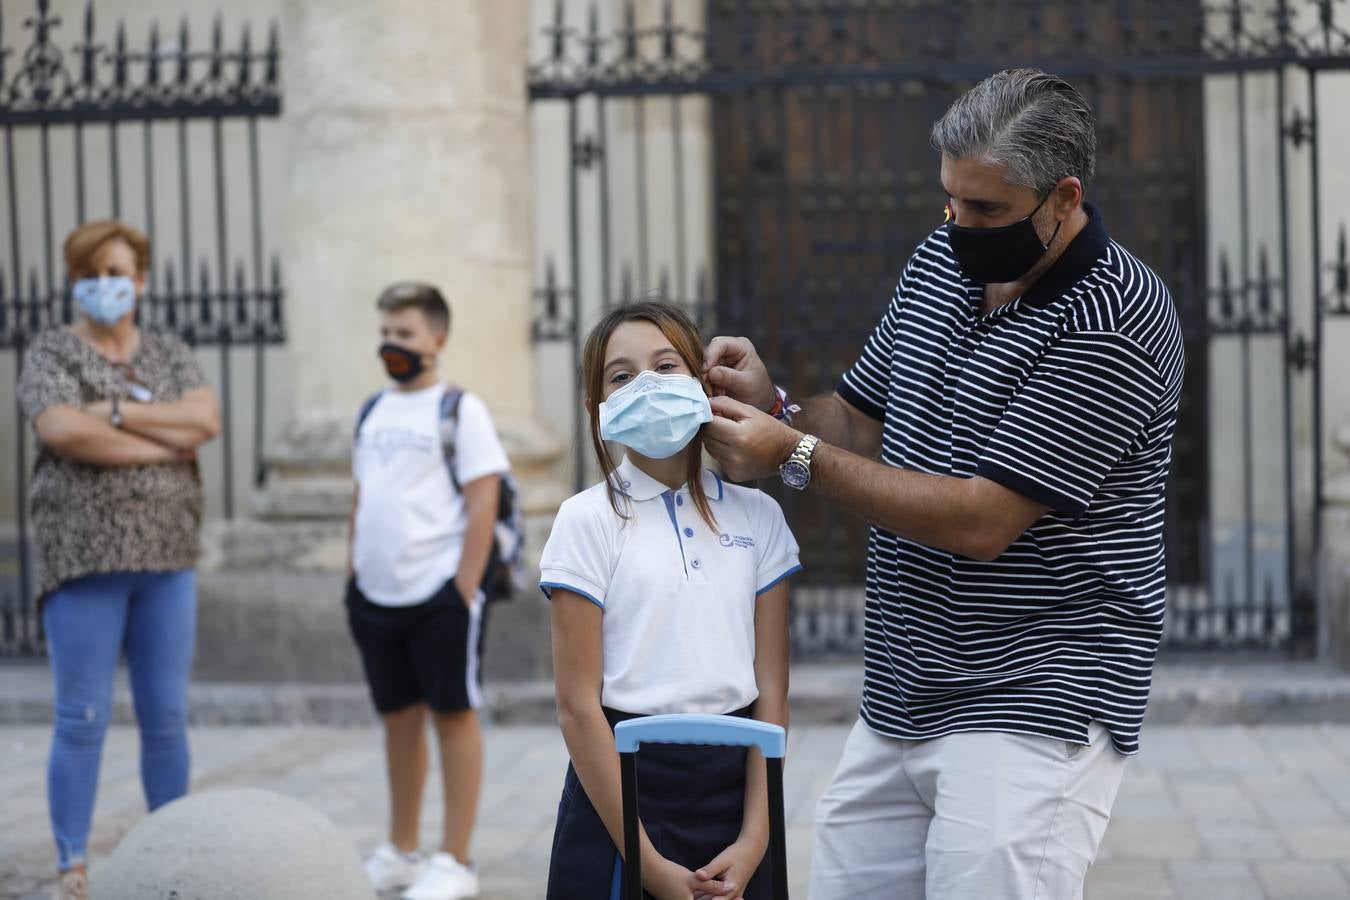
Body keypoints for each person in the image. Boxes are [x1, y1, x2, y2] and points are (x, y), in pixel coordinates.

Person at [701, 68, 1184, 900]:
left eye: (987, 209)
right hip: (901, 687)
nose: (959, 224)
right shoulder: (941, 259)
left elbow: (983, 521)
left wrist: (791, 454)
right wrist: (775, 407)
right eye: (950, 201)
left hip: (1038, 694)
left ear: (1064, 197)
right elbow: (857, 420)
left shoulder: (1117, 319)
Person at [540, 302, 800, 900]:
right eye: (622, 376)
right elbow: (579, 707)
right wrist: (647, 864)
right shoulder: (585, 520)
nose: (648, 386)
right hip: (621, 790)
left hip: (739, 788)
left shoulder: (759, 517)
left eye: (666, 366)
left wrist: (756, 836)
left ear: (704, 384)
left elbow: (773, 692)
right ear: (596, 407)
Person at [16, 219, 221, 900]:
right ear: (77, 282)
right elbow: (59, 428)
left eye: (121, 271)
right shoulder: (52, 352)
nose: (110, 284)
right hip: (84, 560)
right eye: (94, 272)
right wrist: (160, 439)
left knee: (165, 715)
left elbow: (206, 418)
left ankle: (171, 852)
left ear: (142, 279)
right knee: (81, 716)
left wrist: (106, 413)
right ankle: (73, 863)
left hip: (167, 558)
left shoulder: (168, 351)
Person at [346, 281, 508, 900]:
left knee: (453, 717)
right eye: (386, 333)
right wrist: (352, 578)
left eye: (405, 334)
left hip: (439, 597)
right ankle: (402, 849)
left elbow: (483, 499)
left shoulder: (460, 411)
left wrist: (461, 590)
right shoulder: (372, 411)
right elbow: (363, 498)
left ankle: (456, 860)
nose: (393, 345)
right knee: (397, 721)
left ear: (437, 339)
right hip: (375, 598)